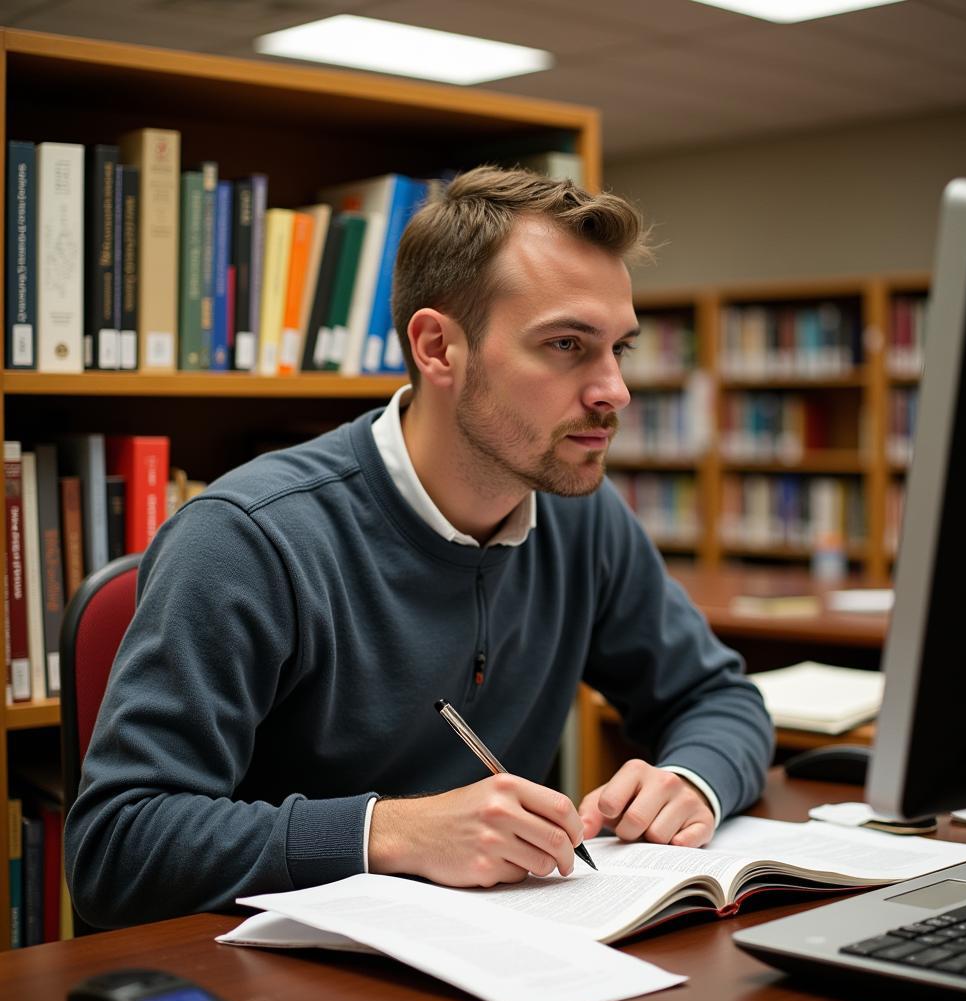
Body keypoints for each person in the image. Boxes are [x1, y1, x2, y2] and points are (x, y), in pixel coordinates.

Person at [65, 166, 773, 928]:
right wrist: (389, 833)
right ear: (439, 348)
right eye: (567, 345)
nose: (613, 391)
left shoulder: (582, 517)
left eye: (619, 349)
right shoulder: (249, 536)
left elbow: (719, 698)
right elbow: (117, 846)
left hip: (510, 958)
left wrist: (693, 780)